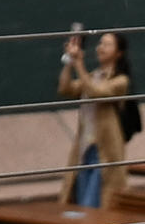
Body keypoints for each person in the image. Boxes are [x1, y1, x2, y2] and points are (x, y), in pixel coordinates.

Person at [57, 24, 137, 209]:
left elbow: (96, 92)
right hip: (85, 150)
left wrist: (79, 63)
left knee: (96, 205)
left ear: (119, 53)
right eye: (100, 43)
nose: (100, 47)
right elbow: (65, 88)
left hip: (105, 152)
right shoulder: (93, 75)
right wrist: (69, 61)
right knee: (82, 206)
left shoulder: (121, 81)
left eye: (107, 44)